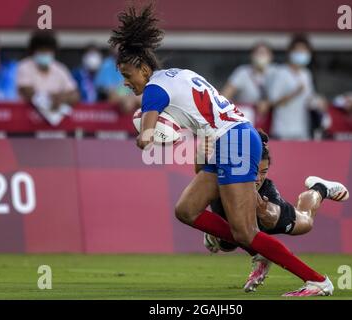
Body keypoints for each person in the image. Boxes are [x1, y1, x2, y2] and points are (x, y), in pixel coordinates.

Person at [110, 4, 337, 297]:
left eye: (129, 75)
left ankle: (317, 280)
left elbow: (147, 136)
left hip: (235, 140)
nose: (127, 83)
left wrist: (147, 135)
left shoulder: (153, 89)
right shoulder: (176, 74)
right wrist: (169, 133)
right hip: (230, 138)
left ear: (143, 67)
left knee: (245, 232)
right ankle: (259, 248)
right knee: (187, 210)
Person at [200, 130, 349, 292]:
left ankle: (320, 189)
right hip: (238, 220)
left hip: (264, 219)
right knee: (226, 244)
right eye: (255, 171)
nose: (257, 179)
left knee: (305, 222)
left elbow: (271, 220)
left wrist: (263, 212)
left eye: (263, 172)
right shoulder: (222, 172)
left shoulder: (265, 193)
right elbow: (199, 171)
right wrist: (200, 153)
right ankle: (255, 253)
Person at [269, 34, 327, 140]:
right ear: (290, 52)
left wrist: (318, 102)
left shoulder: (306, 74)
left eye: (304, 51)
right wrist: (294, 93)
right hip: (283, 130)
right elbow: (274, 101)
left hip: (302, 131)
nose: (301, 54)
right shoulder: (280, 72)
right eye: (298, 50)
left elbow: (309, 98)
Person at [17, 30, 79, 112]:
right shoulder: (24, 66)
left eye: (47, 50)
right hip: (26, 116)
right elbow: (26, 91)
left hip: (55, 118)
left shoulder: (60, 69)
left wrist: (62, 98)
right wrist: (50, 99)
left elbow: (74, 95)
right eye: (41, 50)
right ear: (33, 51)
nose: (44, 53)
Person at [221, 42, 277, 125]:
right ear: (252, 56)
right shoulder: (242, 72)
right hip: (247, 121)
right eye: (258, 53)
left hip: (272, 124)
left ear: (271, 56)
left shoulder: (277, 72)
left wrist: (268, 104)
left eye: (264, 53)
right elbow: (224, 96)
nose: (261, 56)